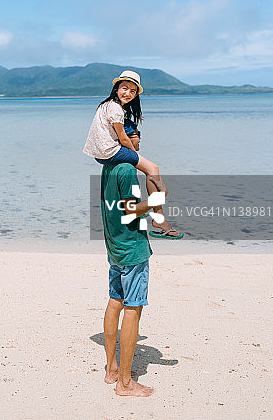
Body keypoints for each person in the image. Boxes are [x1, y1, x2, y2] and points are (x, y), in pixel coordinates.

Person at [100, 129, 166, 396]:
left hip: (114, 245)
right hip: (132, 248)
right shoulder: (127, 168)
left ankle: (112, 369)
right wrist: (157, 200)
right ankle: (125, 383)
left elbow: (114, 207)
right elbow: (130, 209)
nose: (139, 138)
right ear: (122, 140)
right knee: (133, 308)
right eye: (134, 133)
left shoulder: (109, 166)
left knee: (115, 300)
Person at [84, 70, 183, 238]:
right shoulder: (115, 108)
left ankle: (152, 213)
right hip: (110, 151)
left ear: (136, 94)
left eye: (132, 91)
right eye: (124, 88)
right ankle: (159, 217)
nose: (128, 93)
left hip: (101, 153)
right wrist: (135, 156)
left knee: (141, 166)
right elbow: (123, 137)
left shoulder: (105, 105)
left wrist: (134, 159)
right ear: (116, 89)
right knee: (152, 168)